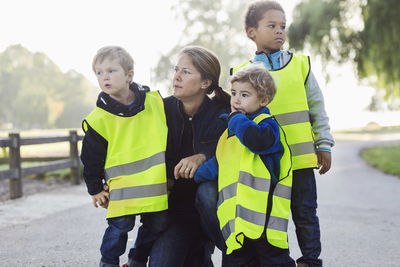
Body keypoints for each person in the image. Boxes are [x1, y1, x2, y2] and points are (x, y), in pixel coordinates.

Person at [230, 1, 335, 266]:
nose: (280, 31)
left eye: (283, 26)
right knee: (271, 217)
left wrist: (323, 144)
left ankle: (311, 260)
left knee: (305, 213)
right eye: (272, 25)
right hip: (266, 164)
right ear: (252, 32)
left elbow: (317, 107)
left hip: (300, 161)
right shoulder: (241, 74)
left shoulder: (301, 65)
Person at [125, 45, 231, 267]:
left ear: (205, 83)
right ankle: (198, 252)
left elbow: (233, 154)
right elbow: (136, 148)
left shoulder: (221, 116)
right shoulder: (161, 111)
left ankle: (235, 255)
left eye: (186, 72)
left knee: (207, 192)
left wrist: (203, 156)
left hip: (209, 210)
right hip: (174, 213)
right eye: (176, 70)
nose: (177, 77)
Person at [193, 63, 295, 266]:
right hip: (236, 221)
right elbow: (218, 163)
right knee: (236, 261)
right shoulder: (229, 134)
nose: (236, 100)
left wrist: (235, 119)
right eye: (233, 93)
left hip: (263, 219)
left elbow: (256, 140)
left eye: (245, 95)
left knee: (274, 260)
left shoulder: (267, 125)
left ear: (264, 100)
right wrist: (196, 175)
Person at [80, 46, 169, 267]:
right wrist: (95, 188)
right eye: (99, 73)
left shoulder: (154, 103)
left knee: (157, 225)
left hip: (155, 186)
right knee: (118, 230)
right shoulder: (98, 119)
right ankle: (108, 263)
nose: (104, 77)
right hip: (121, 189)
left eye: (111, 70)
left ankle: (137, 258)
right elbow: (91, 158)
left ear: (130, 75)